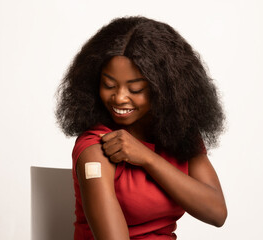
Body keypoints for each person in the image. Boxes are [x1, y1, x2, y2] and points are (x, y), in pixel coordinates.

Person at [56, 16, 227, 240]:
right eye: (109, 85)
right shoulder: (96, 151)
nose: (119, 98)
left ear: (165, 89)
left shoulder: (180, 135)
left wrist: (147, 158)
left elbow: (216, 213)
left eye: (135, 89)